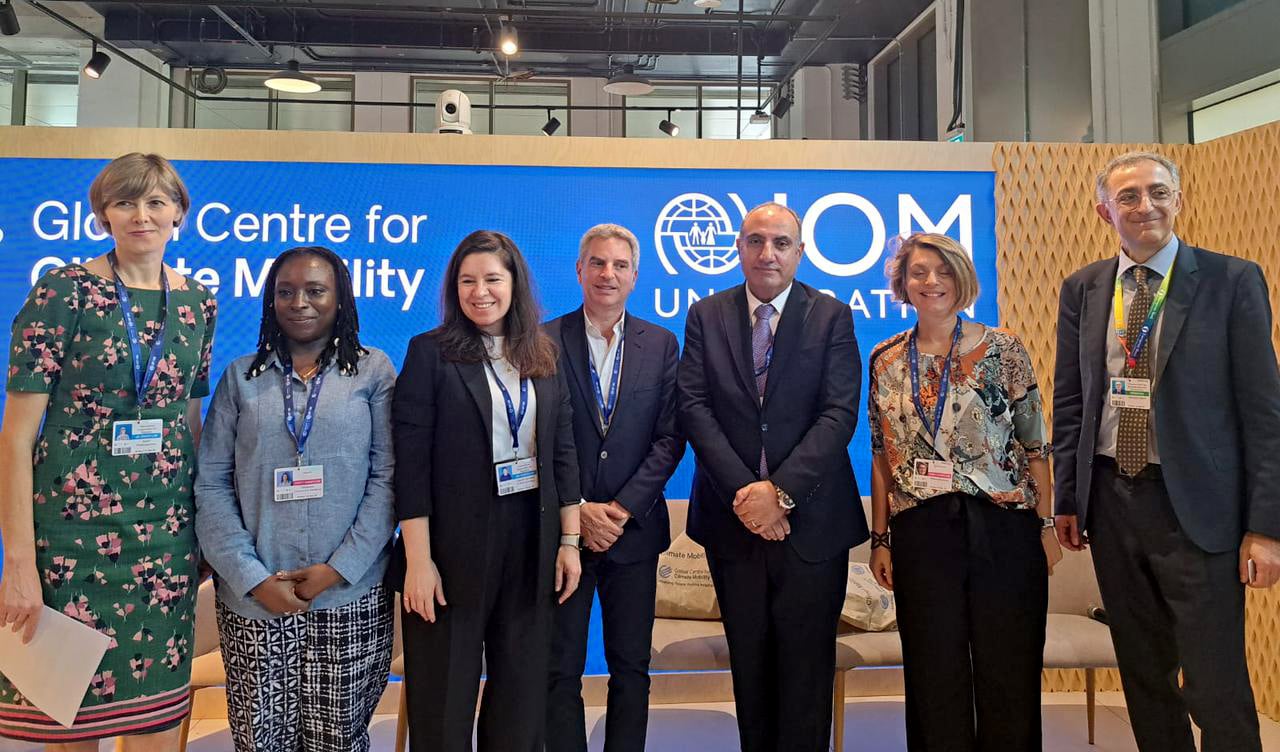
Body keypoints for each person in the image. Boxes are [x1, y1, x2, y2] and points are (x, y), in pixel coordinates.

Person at [1052, 151, 1280, 752]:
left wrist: (1265, 528)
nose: (1144, 206)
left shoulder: (1232, 280)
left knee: (1214, 682)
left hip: (1200, 511)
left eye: (1157, 192)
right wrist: (1068, 499)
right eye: (1128, 196)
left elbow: (1264, 413)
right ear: (1105, 211)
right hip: (1112, 501)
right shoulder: (1084, 289)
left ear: (1178, 200)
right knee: (1145, 675)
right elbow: (1072, 401)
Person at [0, 153, 216, 748]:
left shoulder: (199, 303)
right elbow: (16, 437)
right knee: (70, 720)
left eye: (155, 202)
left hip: (165, 540)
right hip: (70, 541)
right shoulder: (63, 291)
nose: (141, 215)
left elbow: (189, 423)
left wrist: (202, 532)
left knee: (155, 719)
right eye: (125, 202)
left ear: (178, 213)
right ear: (103, 215)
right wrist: (18, 563)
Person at [677, 202, 865, 752]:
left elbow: (838, 415)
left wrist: (779, 494)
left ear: (800, 252)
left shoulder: (831, 316)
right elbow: (694, 407)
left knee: (807, 674)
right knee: (751, 670)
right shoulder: (705, 315)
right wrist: (748, 495)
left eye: (781, 243)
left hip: (813, 526)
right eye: (755, 241)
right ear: (738, 248)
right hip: (732, 522)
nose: (768, 253)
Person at [194, 246, 396, 752]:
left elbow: (388, 479)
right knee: (261, 740)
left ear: (340, 298)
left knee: (339, 740)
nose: (299, 302)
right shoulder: (241, 378)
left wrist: (338, 569)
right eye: (286, 292)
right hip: (255, 600)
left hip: (348, 595)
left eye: (315, 290)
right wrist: (251, 577)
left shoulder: (373, 372)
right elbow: (211, 483)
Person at [866, 232, 1061, 751]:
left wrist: (1046, 525)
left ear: (963, 279)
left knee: (1009, 671)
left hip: (1003, 526)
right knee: (933, 675)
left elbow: (1036, 446)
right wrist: (880, 539)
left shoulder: (1003, 349)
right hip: (921, 530)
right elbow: (882, 456)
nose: (932, 281)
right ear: (902, 282)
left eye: (944, 271)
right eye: (919, 272)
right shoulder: (885, 359)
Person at [389, 230, 582, 752]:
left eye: (492, 279)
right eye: (467, 281)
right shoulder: (430, 353)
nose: (480, 292)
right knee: (444, 700)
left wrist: (569, 542)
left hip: (531, 542)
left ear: (515, 284)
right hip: (449, 550)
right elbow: (411, 466)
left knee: (521, 700)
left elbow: (563, 452)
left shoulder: (544, 353)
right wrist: (418, 562)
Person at [544, 224, 684, 752]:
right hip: (564, 535)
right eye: (598, 264)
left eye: (620, 265)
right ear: (579, 271)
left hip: (634, 533)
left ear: (635, 276)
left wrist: (621, 509)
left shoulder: (662, 344)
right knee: (560, 668)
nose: (608, 274)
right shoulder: (543, 341)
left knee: (631, 667)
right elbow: (534, 438)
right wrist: (577, 509)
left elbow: (670, 438)